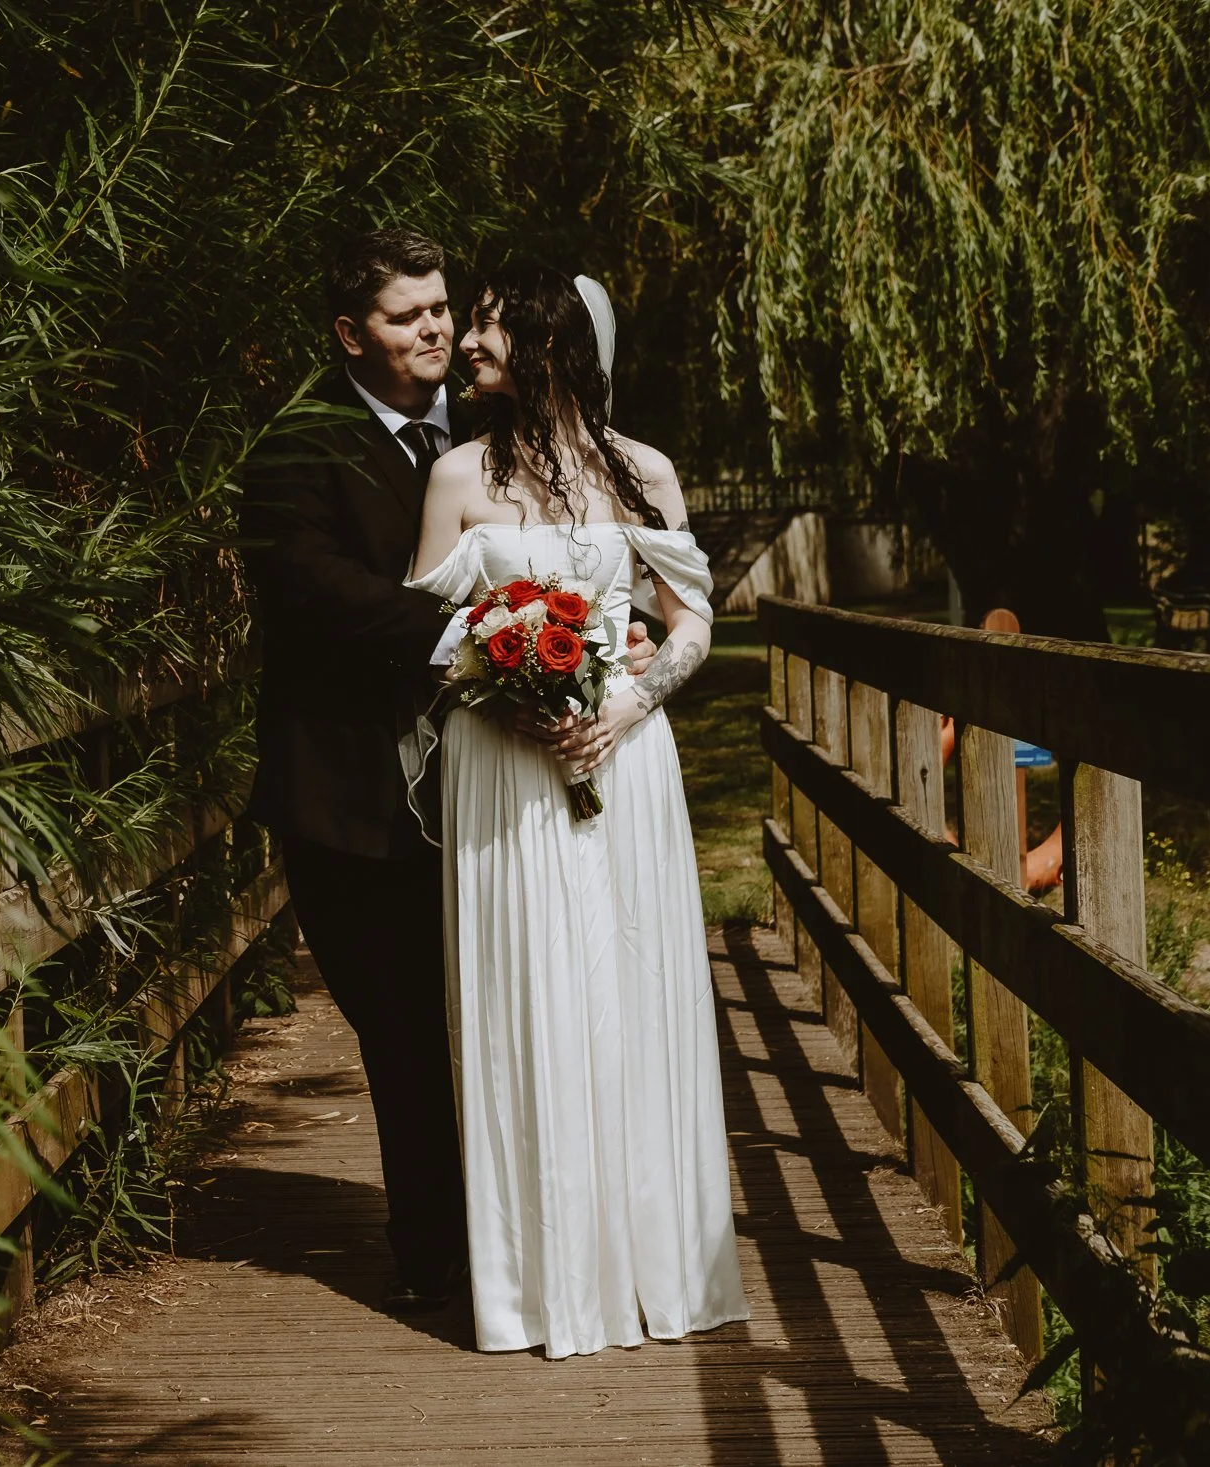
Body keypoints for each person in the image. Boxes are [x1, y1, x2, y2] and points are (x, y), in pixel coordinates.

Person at [239, 231, 655, 1314]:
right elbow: (318, 593)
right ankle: (441, 1260)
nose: (435, 328)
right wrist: (498, 633)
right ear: (349, 334)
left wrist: (617, 634)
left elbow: (580, 539)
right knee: (410, 1030)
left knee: (507, 1008)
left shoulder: (480, 436)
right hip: (351, 795)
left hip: (481, 787)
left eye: (441, 309)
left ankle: (533, 1236)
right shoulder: (297, 446)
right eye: (406, 315)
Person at [404, 263, 748, 1357]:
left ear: (548, 340)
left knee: (626, 980)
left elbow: (692, 621)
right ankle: (543, 1286)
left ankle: (653, 1265)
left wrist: (630, 703)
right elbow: (421, 634)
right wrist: (495, 679)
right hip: (502, 766)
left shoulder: (641, 469)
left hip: (623, 755)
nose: (466, 341)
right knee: (529, 990)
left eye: (489, 323)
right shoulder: (457, 474)